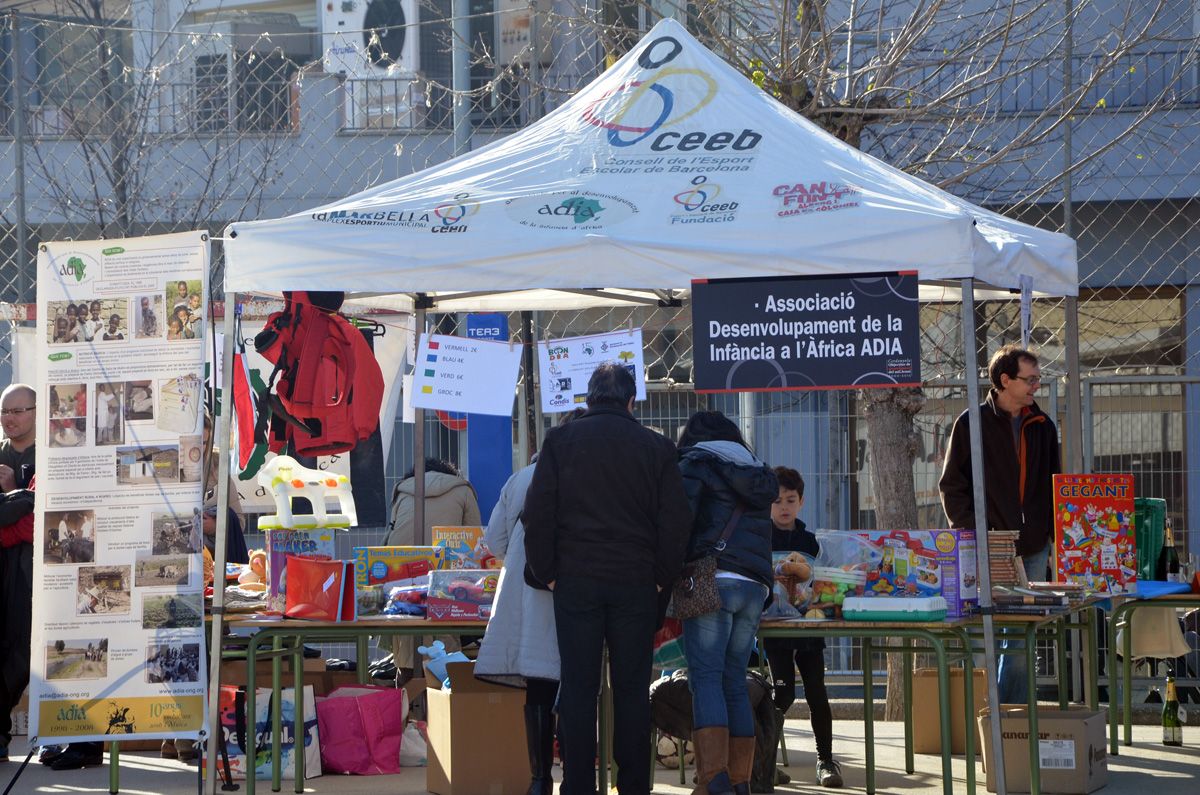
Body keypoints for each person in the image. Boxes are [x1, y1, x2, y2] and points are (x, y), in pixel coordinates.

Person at [523, 364, 692, 795]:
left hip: (575, 581)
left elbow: (538, 516)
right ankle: (633, 785)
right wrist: (658, 579)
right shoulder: (656, 448)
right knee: (632, 691)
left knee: (579, 690)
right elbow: (675, 524)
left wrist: (550, 575)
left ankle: (579, 785)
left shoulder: (560, 441)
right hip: (636, 583)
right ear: (632, 400)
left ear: (588, 397)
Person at [939, 343, 1060, 704]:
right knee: (992, 634)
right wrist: (974, 534)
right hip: (988, 545)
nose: (1036, 386)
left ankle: (1011, 719)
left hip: (1034, 546)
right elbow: (952, 485)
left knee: (1022, 636)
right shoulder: (970, 423)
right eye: (1030, 379)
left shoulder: (1043, 425)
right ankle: (999, 720)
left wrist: (1053, 535)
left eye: (1038, 379)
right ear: (1005, 380)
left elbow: (1054, 482)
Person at [475, 408, 586, 795]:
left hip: (527, 593)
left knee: (538, 685)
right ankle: (576, 775)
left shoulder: (521, 478)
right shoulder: (590, 479)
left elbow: (495, 542)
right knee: (577, 683)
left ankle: (539, 781)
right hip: (576, 594)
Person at [675, 411, 777, 795]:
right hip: (755, 585)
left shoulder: (696, 462)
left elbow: (680, 522)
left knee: (706, 678)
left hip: (712, 579)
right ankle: (740, 781)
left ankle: (713, 780)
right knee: (734, 678)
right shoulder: (757, 470)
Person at [762, 467, 842, 788]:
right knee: (782, 692)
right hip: (773, 628)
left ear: (801, 502)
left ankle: (826, 761)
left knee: (817, 692)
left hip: (808, 627)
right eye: (777, 500)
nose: (784, 506)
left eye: (790, 500)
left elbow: (824, 580)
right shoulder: (758, 537)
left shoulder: (811, 541)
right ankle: (762, 760)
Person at [383, 458, 480, 678]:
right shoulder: (462, 490)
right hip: (447, 582)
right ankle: (443, 702)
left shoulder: (403, 491)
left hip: (401, 579)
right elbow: (475, 543)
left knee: (408, 649)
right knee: (445, 656)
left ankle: (407, 704)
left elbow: (392, 535)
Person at [0, 384, 36, 764]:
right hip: (5, 564)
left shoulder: (51, 454)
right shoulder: (1, 455)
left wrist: (13, 490)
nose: (10, 419)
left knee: (23, 652)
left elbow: (38, 519)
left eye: (18, 410)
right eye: (4, 412)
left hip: (36, 568)